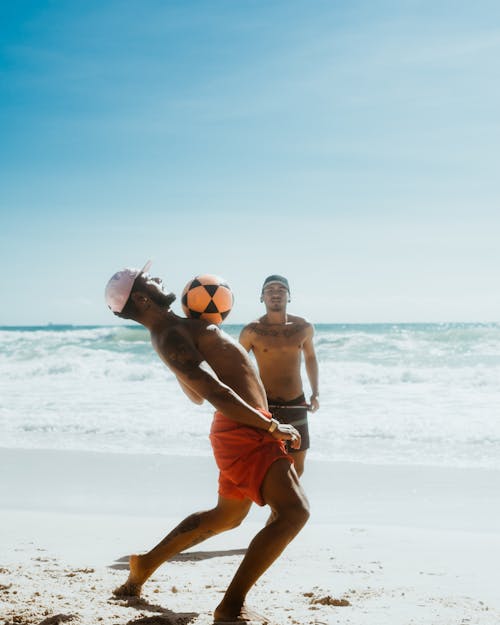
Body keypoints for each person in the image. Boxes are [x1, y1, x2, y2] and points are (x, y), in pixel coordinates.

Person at [104, 261, 309, 624]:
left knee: (227, 516)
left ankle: (145, 563)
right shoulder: (168, 336)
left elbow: (198, 393)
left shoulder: (175, 328)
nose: (160, 279)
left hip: (240, 428)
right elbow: (211, 391)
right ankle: (230, 608)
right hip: (244, 432)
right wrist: (270, 424)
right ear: (141, 296)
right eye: (151, 280)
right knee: (294, 513)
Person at [239, 275, 319, 477]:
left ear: (289, 296)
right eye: (270, 290)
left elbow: (310, 358)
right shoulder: (252, 331)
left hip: (296, 404)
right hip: (266, 406)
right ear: (262, 297)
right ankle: (277, 506)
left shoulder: (303, 327)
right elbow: (238, 366)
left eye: (281, 289)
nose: (275, 293)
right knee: (266, 463)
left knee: (297, 467)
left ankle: (284, 508)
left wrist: (315, 393)